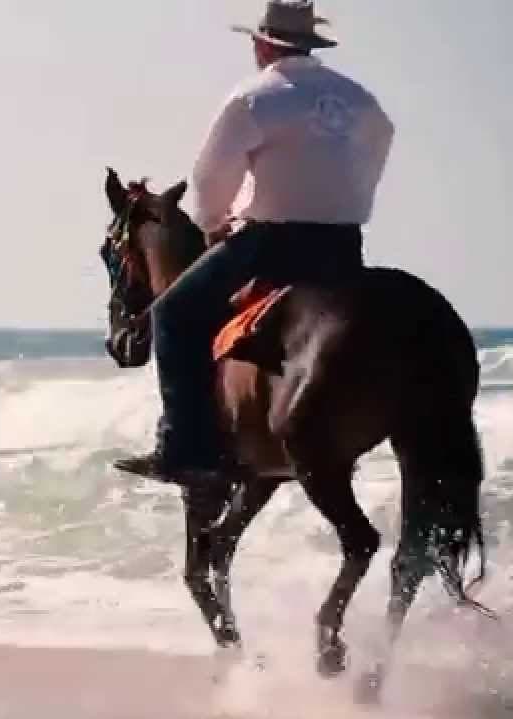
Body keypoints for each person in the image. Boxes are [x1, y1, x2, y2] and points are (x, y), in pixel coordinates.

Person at [115, 0, 395, 482]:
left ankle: (186, 448)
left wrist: (215, 224)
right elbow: (377, 152)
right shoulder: (363, 101)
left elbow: (208, 181)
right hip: (344, 247)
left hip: (272, 241)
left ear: (264, 44)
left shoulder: (256, 97)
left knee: (172, 314)